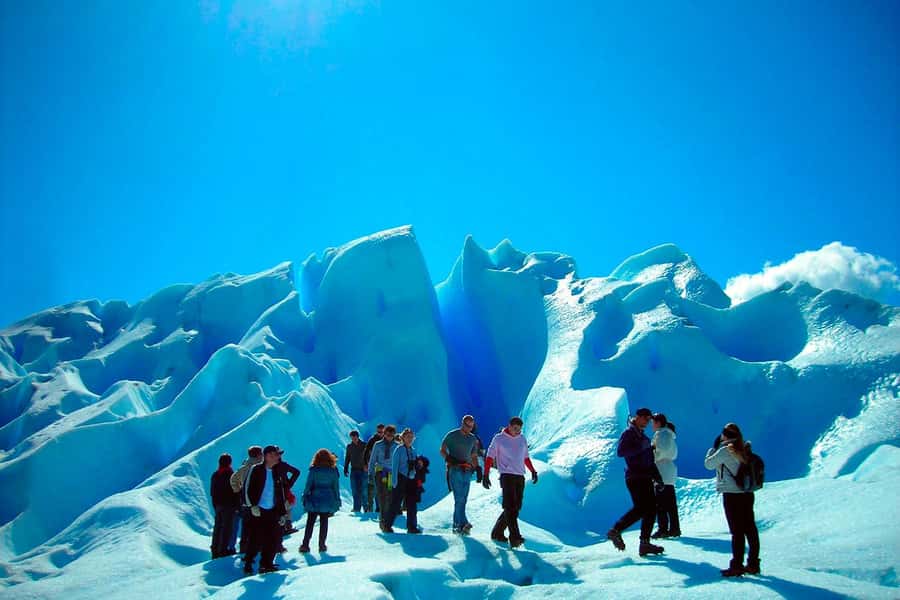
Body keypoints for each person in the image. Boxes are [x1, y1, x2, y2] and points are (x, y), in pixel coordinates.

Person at [705, 422, 761, 577]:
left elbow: (708, 464)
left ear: (724, 435)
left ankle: (736, 565)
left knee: (737, 531)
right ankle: (753, 563)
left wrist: (711, 450)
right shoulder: (744, 448)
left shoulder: (724, 450)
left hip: (731, 493)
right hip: (747, 492)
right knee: (750, 528)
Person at [606, 408, 665, 556]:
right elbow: (621, 451)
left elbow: (650, 461)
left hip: (644, 476)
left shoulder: (643, 437)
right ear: (637, 417)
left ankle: (644, 543)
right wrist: (641, 447)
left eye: (648, 419)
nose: (647, 421)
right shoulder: (629, 433)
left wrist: (657, 477)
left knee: (650, 509)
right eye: (645, 418)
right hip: (635, 476)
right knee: (643, 508)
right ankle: (617, 530)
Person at [482, 416, 538, 548]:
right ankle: (515, 537)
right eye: (515, 429)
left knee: (516, 507)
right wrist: (486, 474)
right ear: (509, 426)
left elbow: (525, 457)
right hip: (507, 476)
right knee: (509, 506)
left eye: (519, 429)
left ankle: (497, 532)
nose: (517, 431)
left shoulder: (522, 439)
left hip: (519, 476)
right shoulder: (499, 438)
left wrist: (533, 471)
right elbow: (490, 456)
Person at [242, 445, 289, 575]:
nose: (278, 457)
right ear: (267, 456)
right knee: (255, 538)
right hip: (258, 510)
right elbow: (247, 488)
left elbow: (280, 493)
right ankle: (248, 562)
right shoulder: (256, 469)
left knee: (272, 538)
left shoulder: (277, 471)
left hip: (272, 510)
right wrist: (252, 506)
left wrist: (282, 513)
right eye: (275, 454)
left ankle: (266, 564)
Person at [440, 414, 480, 534]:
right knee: (459, 498)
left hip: (467, 470)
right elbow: (442, 449)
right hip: (455, 469)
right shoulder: (452, 435)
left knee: (464, 498)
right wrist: (448, 459)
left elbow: (473, 455)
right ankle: (461, 524)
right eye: (467, 425)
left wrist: (477, 468)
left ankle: (458, 525)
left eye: (471, 426)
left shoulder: (472, 439)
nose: (468, 428)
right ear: (462, 423)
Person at [299, 448, 341, 553]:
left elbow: (308, 485)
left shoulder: (313, 470)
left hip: (314, 498)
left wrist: (305, 496)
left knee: (310, 523)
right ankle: (322, 545)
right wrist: (337, 500)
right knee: (324, 522)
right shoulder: (333, 470)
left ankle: (305, 544)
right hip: (327, 499)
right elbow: (335, 486)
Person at [384, 428, 422, 534]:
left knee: (412, 504)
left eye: (411, 437)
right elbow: (394, 466)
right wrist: (394, 482)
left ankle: (412, 527)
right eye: (408, 437)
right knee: (395, 503)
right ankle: (387, 525)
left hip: (411, 479)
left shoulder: (413, 450)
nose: (410, 439)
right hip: (401, 478)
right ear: (403, 438)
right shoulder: (399, 450)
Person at [651, 414, 681, 539]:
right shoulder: (669, 435)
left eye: (654, 422)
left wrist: (651, 451)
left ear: (658, 423)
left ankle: (663, 528)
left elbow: (660, 450)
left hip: (661, 471)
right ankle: (674, 528)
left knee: (661, 503)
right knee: (670, 503)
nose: (652, 425)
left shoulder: (661, 434)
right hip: (668, 471)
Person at [230, 445, 263, 554]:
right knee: (257, 524)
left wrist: (239, 490)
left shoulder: (244, 466)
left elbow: (233, 479)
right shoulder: (259, 467)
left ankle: (244, 547)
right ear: (258, 455)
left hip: (244, 501)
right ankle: (256, 547)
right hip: (257, 500)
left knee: (246, 525)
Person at [367, 425, 398, 532]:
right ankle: (383, 522)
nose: (390, 437)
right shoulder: (377, 445)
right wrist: (370, 474)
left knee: (390, 498)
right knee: (382, 497)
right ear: (384, 434)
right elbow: (372, 460)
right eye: (388, 435)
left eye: (392, 435)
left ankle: (387, 522)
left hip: (392, 474)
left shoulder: (397, 446)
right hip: (380, 473)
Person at [210, 453, 240, 558]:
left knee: (218, 527)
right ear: (230, 463)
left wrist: (215, 505)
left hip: (218, 505)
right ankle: (223, 550)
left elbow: (212, 492)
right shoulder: (232, 474)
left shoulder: (215, 475)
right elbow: (236, 492)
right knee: (227, 528)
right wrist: (237, 506)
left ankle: (215, 550)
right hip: (230, 506)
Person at [273, 449, 301, 539]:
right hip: (284, 490)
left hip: (274, 492)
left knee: (280, 509)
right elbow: (296, 472)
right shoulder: (283, 465)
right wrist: (289, 483)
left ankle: (281, 528)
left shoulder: (269, 466)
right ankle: (287, 527)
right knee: (287, 508)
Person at [344, 430, 368, 512]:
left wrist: (367, 465)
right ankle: (356, 508)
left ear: (358, 437)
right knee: (354, 490)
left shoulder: (364, 445)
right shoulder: (349, 447)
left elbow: (369, 456)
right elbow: (347, 458)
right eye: (352, 438)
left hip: (363, 471)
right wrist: (345, 468)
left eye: (355, 437)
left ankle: (366, 508)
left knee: (364, 490)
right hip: (354, 470)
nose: (353, 439)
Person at [363, 424, 385, 513]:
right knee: (373, 487)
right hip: (374, 466)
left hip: (385, 467)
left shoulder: (387, 440)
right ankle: (372, 507)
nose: (380, 433)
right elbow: (366, 451)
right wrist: (365, 464)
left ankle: (380, 507)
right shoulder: (372, 440)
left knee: (384, 487)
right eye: (379, 431)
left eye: (382, 431)